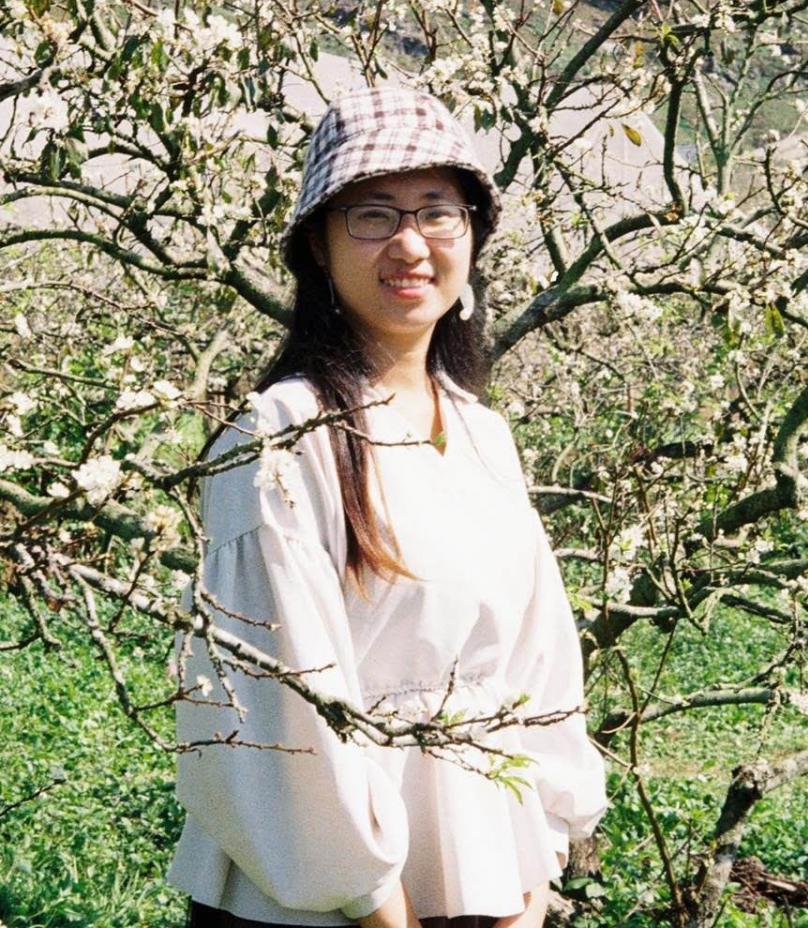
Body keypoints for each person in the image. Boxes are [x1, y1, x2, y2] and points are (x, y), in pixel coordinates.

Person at [166, 85, 609, 928]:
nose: (410, 243)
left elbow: (542, 669)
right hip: (319, 896)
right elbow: (278, 696)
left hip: (485, 875)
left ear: (472, 239)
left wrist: (538, 855)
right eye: (373, 215)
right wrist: (374, 902)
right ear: (319, 252)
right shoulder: (283, 432)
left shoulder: (484, 434)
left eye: (438, 212)